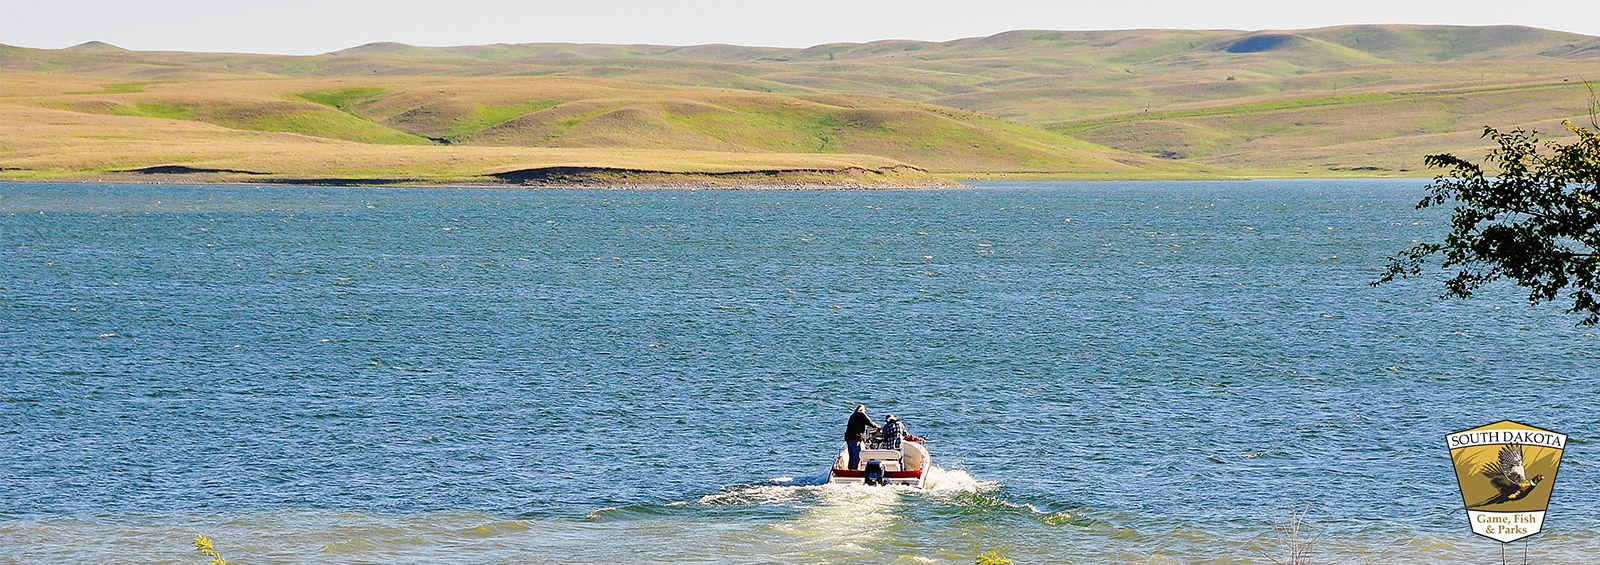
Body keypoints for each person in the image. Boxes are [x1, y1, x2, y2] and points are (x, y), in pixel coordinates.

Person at [843, 404, 879, 470]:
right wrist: (876, 426)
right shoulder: (861, 414)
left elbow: (855, 425)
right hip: (855, 437)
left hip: (848, 437)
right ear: (862, 409)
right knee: (857, 454)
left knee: (851, 455)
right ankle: (854, 469)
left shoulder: (853, 416)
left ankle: (850, 469)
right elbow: (869, 422)